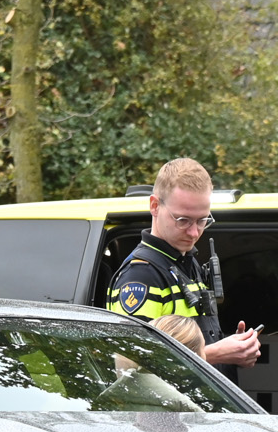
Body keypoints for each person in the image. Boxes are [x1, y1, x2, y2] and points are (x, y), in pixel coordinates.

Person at [106, 159, 260, 377]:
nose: (194, 233)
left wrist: (234, 348)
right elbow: (133, 366)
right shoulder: (141, 275)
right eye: (183, 220)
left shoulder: (186, 262)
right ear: (154, 206)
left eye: (202, 220)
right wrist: (216, 353)